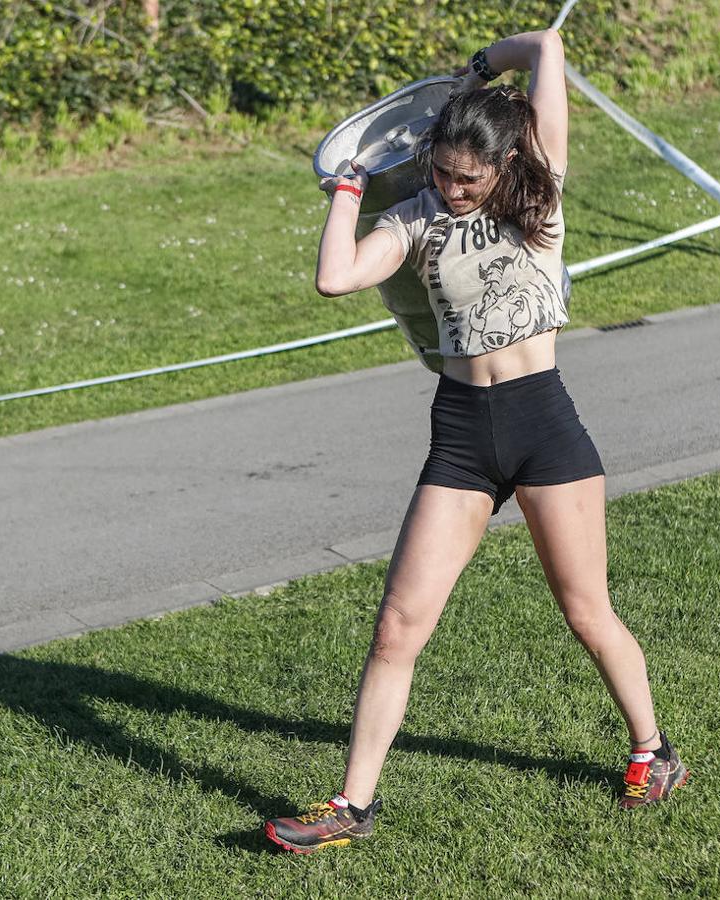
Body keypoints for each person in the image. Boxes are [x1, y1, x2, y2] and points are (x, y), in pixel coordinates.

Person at [264, 29, 688, 855]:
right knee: (398, 626)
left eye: (468, 176)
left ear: (502, 165)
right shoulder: (416, 218)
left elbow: (548, 48)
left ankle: (653, 751)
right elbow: (335, 277)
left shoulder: (542, 198)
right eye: (441, 172)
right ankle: (352, 806)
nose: (452, 188)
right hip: (460, 436)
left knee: (585, 610)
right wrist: (348, 186)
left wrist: (495, 60)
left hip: (545, 427)